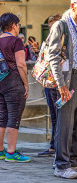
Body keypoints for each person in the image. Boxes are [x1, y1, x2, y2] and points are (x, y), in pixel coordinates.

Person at [48, 0, 77, 179]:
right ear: (72, 4)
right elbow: (53, 55)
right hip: (68, 78)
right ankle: (61, 165)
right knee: (65, 124)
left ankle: (75, 162)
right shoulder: (61, 25)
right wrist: (61, 85)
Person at [0, 13, 30, 162]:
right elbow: (21, 64)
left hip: (0, 82)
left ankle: (0, 151)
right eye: (18, 25)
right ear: (13, 25)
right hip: (13, 83)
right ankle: (11, 152)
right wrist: (26, 84)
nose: (19, 27)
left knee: (1, 118)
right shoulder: (16, 41)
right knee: (14, 117)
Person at [35, 14, 61, 157]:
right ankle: (53, 147)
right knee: (54, 115)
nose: (51, 28)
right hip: (49, 82)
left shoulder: (60, 39)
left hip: (55, 82)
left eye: (53, 26)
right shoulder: (50, 39)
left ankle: (56, 147)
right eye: (50, 26)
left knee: (58, 116)